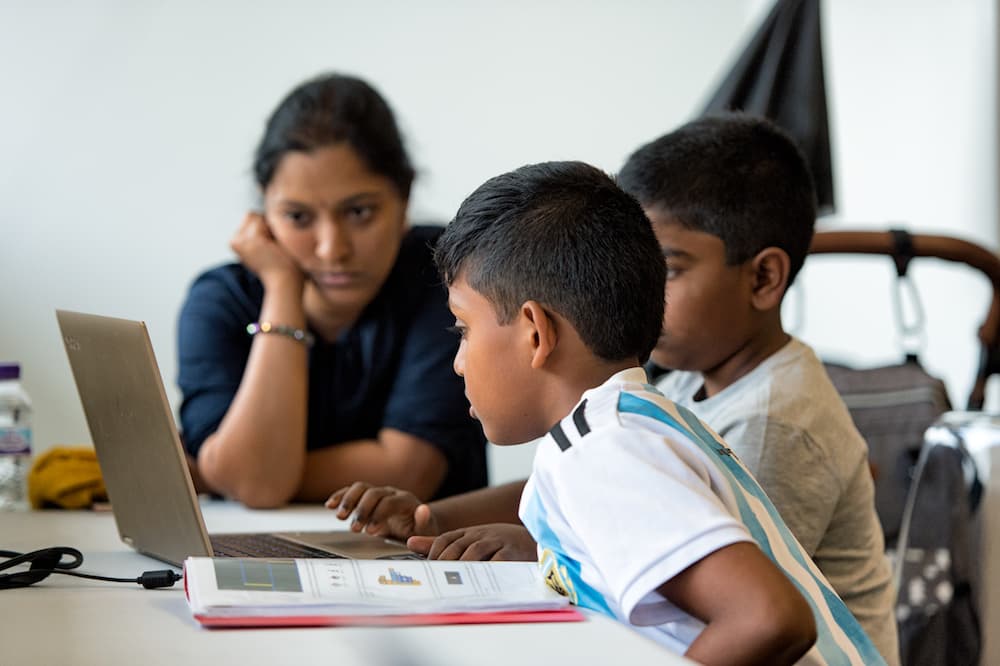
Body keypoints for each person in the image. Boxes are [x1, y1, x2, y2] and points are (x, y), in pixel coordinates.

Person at [327, 115, 899, 664]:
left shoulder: (609, 447)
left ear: (534, 332)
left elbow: (768, 620)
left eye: (464, 329)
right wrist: (439, 521)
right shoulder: (627, 415)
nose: (457, 362)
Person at [617, 115, 898, 664]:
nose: (639, 291)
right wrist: (439, 518)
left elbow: (741, 620)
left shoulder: (773, 425)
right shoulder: (684, 378)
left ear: (764, 279)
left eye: (668, 270)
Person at [176, 73, 487, 508]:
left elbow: (408, 471)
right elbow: (253, 480)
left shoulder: (446, 276)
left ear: (404, 197)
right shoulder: (219, 301)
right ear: (264, 209)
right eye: (298, 217)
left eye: (359, 212)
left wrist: (227, 471)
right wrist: (282, 288)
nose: (332, 249)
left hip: (423, 561)